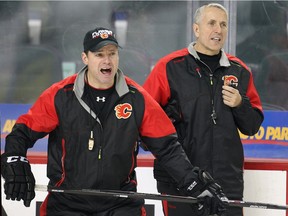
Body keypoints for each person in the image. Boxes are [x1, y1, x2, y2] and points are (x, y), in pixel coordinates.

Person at [1, 27, 228, 216]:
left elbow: (168, 148)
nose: (107, 60)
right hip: (66, 204)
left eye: (112, 53)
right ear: (85, 58)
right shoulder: (61, 95)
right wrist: (14, 160)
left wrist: (195, 185)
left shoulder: (137, 98)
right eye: (99, 54)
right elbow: (22, 133)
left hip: (120, 204)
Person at [143, 3, 264, 216]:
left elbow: (252, 126)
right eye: (212, 23)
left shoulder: (240, 71)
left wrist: (240, 104)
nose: (218, 29)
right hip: (180, 180)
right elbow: (143, 122)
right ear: (196, 29)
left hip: (226, 181)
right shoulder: (169, 67)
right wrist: (169, 125)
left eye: (223, 24)